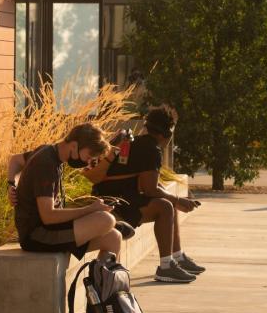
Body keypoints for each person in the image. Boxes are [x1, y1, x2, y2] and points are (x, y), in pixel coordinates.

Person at [86, 107, 204, 283]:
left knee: (169, 203)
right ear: (167, 133)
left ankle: (177, 257)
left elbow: (149, 184)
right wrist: (178, 200)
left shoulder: (140, 142)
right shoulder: (150, 148)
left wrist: (176, 200)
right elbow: (150, 189)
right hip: (116, 201)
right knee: (165, 206)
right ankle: (166, 267)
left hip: (114, 195)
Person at [9, 123, 122, 261]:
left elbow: (15, 160)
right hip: (37, 235)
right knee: (106, 220)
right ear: (74, 145)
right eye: (89, 156)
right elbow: (48, 216)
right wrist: (90, 209)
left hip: (51, 229)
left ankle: (102, 281)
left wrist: (11, 184)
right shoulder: (46, 164)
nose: (88, 162)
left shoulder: (48, 150)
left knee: (114, 238)